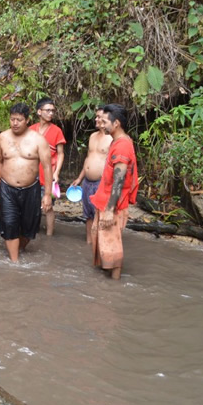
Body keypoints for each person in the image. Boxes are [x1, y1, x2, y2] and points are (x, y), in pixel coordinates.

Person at [0, 103, 53, 262]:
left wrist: (47, 194)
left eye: (19, 120)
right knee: (9, 223)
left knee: (29, 229)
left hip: (31, 189)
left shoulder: (38, 140)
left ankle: (18, 248)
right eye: (12, 119)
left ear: (27, 120)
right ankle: (15, 263)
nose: (14, 123)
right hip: (7, 187)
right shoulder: (3, 137)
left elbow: (47, 167)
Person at [89, 104, 139, 280]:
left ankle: (113, 286)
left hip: (112, 204)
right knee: (105, 244)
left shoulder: (122, 145)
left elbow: (119, 179)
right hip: (105, 201)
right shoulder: (118, 142)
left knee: (112, 246)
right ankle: (108, 282)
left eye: (104, 121)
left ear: (116, 123)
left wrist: (110, 210)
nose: (102, 124)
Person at [70, 106, 112, 245]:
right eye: (96, 116)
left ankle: (99, 244)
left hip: (101, 183)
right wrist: (79, 177)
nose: (96, 119)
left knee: (99, 215)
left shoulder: (112, 139)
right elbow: (88, 158)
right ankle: (89, 242)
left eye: (100, 117)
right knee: (88, 214)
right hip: (87, 182)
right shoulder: (93, 136)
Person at [29, 97, 66, 236]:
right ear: (39, 112)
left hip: (48, 174)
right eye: (48, 110)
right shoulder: (31, 129)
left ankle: (49, 236)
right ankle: (33, 232)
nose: (51, 113)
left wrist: (56, 173)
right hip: (32, 173)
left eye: (52, 111)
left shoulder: (56, 131)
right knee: (32, 205)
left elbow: (61, 154)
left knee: (48, 207)